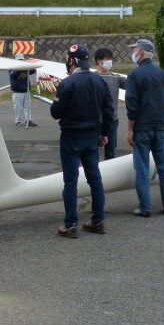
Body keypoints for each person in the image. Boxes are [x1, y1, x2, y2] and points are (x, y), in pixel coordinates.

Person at [49, 44, 114, 238]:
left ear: (72, 61)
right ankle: (97, 220)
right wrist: (104, 133)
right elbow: (109, 111)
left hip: (71, 136)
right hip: (92, 136)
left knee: (70, 181)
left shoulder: (68, 83)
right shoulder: (99, 80)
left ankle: (70, 224)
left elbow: (55, 113)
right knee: (95, 178)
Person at [124, 38, 164, 217]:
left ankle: (145, 208)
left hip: (142, 128)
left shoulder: (134, 75)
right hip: (161, 126)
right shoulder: (162, 74)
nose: (133, 52)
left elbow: (132, 105)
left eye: (134, 49)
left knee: (142, 169)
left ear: (140, 52)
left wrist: (130, 129)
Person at [94, 47, 126, 159]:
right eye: (106, 59)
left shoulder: (116, 78)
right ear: (98, 61)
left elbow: (134, 85)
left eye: (110, 59)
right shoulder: (92, 77)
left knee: (111, 152)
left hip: (112, 120)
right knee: (93, 152)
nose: (109, 62)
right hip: (96, 120)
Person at [9, 54, 36, 127]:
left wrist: (30, 65)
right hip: (17, 91)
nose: (21, 62)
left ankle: (28, 120)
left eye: (22, 60)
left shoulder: (26, 69)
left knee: (28, 107)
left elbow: (33, 71)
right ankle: (17, 120)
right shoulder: (12, 68)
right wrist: (22, 67)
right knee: (17, 107)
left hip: (26, 90)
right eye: (19, 60)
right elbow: (13, 75)